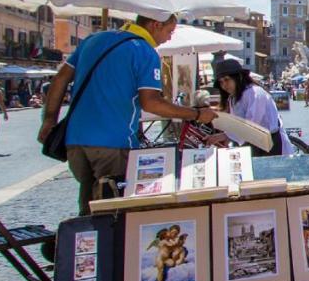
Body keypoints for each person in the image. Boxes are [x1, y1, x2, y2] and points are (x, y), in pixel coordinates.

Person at [38, 14, 218, 216]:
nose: (168, 38)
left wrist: (49, 120)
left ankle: (85, 242)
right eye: (169, 31)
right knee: (113, 209)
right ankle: (105, 244)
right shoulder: (144, 51)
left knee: (88, 203)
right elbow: (151, 102)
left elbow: (60, 79)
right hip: (113, 142)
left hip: (75, 142)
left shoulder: (93, 40)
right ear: (155, 24)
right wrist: (195, 114)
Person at [206, 57, 290, 156]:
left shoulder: (255, 93)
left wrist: (225, 136)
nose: (224, 85)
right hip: (254, 144)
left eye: (226, 80)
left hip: (270, 145)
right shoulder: (233, 98)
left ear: (239, 77)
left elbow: (252, 125)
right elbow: (238, 123)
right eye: (221, 82)